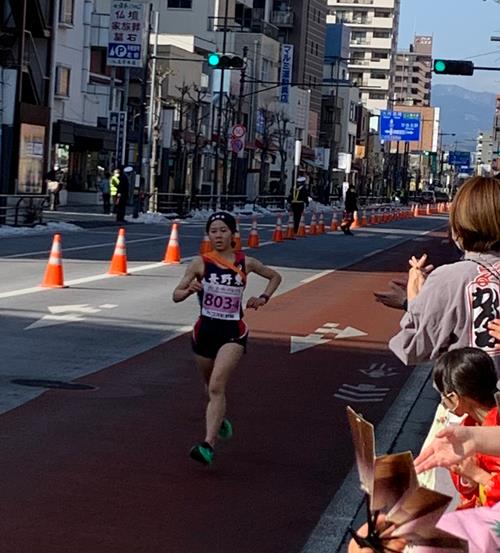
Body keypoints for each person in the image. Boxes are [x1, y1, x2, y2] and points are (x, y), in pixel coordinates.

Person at [172, 212, 282, 465]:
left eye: (223, 230)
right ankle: (219, 418)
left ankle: (208, 444)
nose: (218, 235)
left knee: (216, 386)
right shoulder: (200, 263)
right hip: (205, 331)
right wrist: (189, 290)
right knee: (209, 386)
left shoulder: (247, 262)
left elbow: (274, 276)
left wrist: (263, 297)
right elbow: (176, 295)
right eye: (213, 231)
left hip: (233, 331)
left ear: (233, 234)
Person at [389, 176, 500, 374]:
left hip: (468, 400)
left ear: (459, 225)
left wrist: (415, 298)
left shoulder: (448, 278)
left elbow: (412, 349)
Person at [430, 347, 500, 509]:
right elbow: (467, 490)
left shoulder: (494, 427)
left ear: (454, 397)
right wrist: (467, 477)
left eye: (444, 394)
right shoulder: (466, 427)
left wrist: (477, 474)